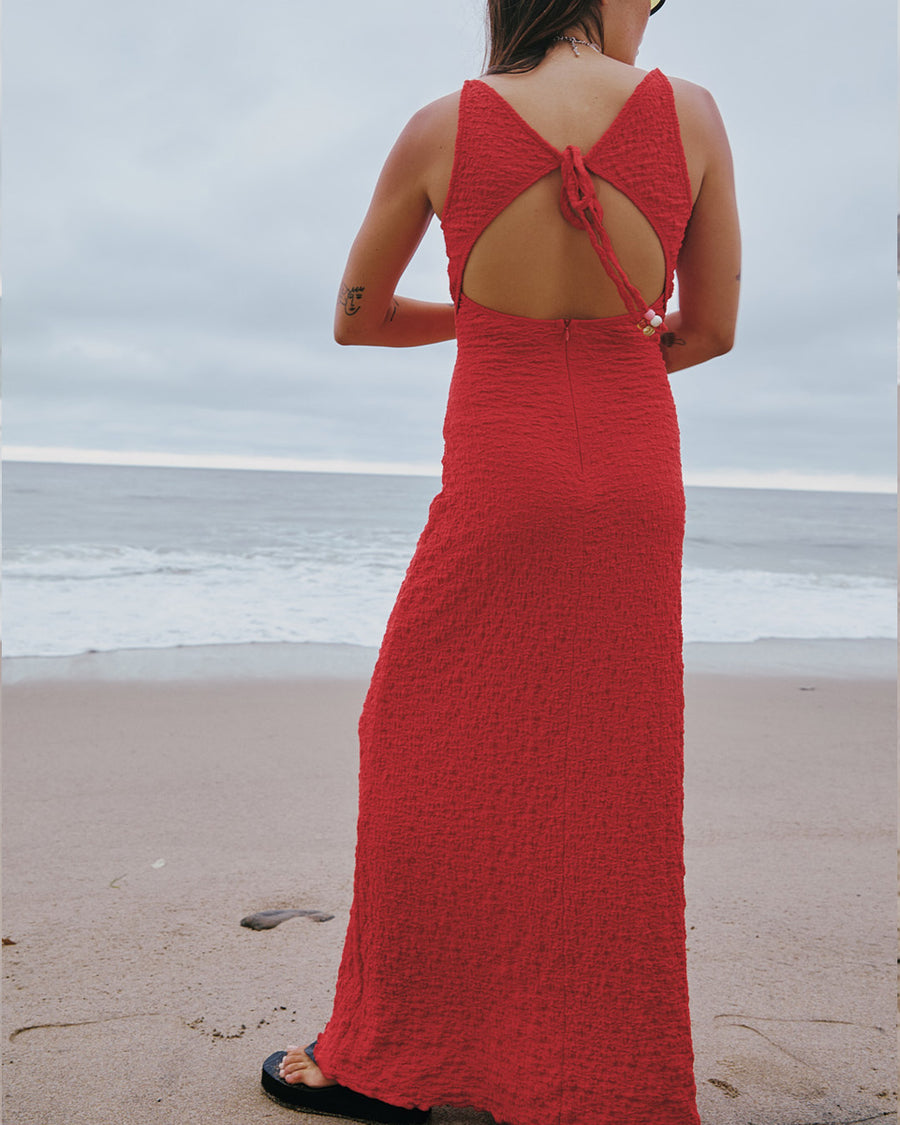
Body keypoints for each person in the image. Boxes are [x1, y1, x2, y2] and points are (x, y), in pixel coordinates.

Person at [261, 0, 740, 1122]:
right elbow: (709, 327)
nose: (656, 10)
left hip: (502, 464)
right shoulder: (697, 116)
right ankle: (607, 1072)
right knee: (609, 775)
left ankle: (395, 1055)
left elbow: (358, 316)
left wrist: (485, 316)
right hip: (634, 473)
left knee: (416, 735)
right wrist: (603, 364)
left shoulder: (446, 126)